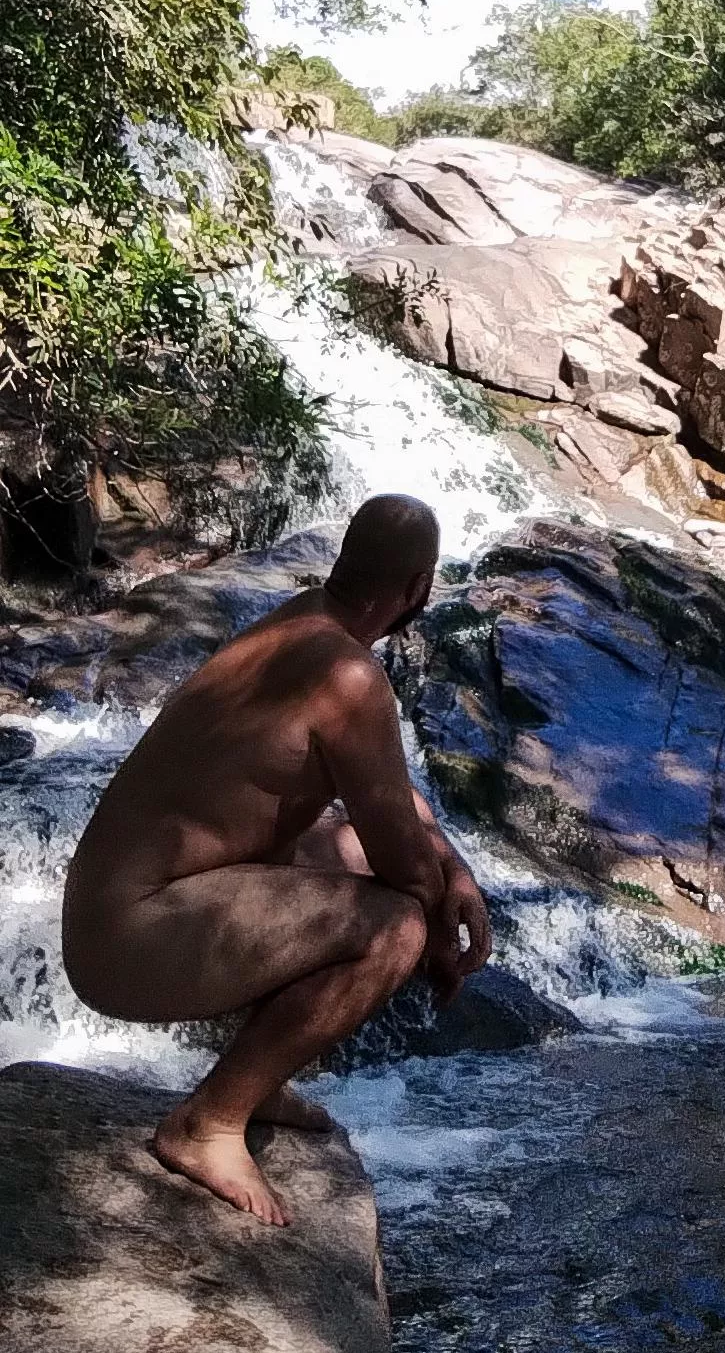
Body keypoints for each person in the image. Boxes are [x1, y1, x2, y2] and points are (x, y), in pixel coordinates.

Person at [62, 494, 492, 1226]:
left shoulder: (305, 621)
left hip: (123, 915)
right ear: (420, 587)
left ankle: (258, 1084)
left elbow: (387, 792)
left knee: (346, 847)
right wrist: (443, 929)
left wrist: (457, 871)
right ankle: (207, 1124)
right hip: (131, 938)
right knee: (394, 926)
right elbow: (403, 866)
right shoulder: (347, 675)